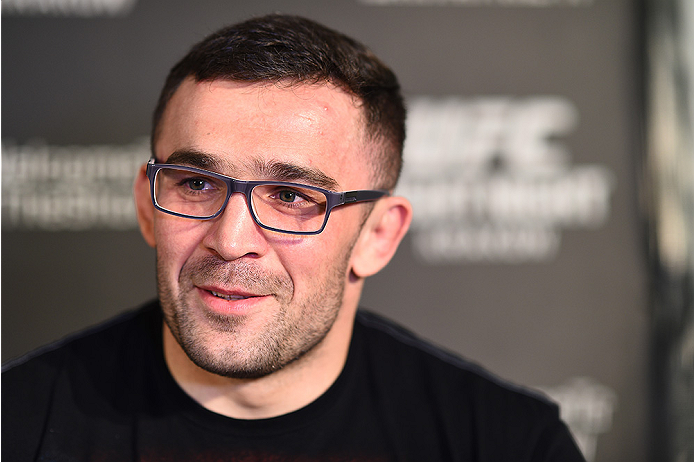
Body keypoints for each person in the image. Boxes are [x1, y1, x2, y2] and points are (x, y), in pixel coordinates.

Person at [1, 14, 584, 461]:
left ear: (377, 236)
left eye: (291, 197)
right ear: (147, 207)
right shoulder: (20, 424)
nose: (230, 241)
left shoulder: (507, 444)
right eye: (197, 183)